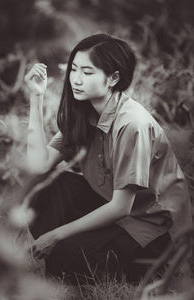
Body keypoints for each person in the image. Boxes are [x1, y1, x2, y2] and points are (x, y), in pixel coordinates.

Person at [24, 33, 191, 284]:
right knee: (43, 185)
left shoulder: (132, 124)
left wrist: (56, 235)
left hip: (151, 229)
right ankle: (62, 251)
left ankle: (69, 253)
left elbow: (121, 207)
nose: (76, 80)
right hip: (113, 206)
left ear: (113, 78)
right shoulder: (84, 111)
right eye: (74, 70)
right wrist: (36, 97)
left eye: (88, 72)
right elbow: (38, 165)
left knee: (66, 257)